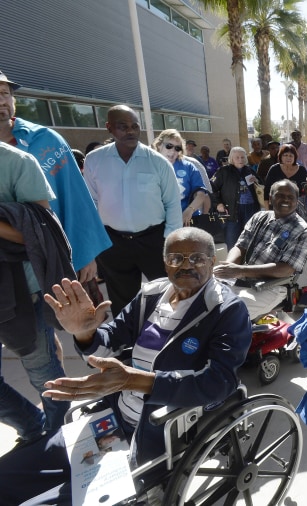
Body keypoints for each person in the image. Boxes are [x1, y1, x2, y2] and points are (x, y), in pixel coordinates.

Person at [0, 227, 252, 505]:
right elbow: (109, 341)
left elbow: (218, 383)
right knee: (6, 476)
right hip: (110, 418)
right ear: (164, 261)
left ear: (212, 261)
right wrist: (83, 332)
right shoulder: (152, 295)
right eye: (176, 258)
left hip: (157, 434)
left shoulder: (227, 310)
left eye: (197, 259)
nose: (186, 266)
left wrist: (132, 380)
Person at [0, 70, 110, 291]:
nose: (1, 100)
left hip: (44, 263)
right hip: (5, 268)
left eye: (4, 93)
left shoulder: (44, 140)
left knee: (41, 321)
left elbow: (75, 196)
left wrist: (84, 252)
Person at [0, 142, 74, 448]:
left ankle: (60, 443)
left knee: (46, 377)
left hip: (20, 294)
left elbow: (41, 233)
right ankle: (32, 428)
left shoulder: (16, 162)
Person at [83, 105, 182, 317]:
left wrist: (170, 243)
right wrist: (94, 242)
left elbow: (173, 203)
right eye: (122, 126)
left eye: (134, 126)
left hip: (154, 240)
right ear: (109, 128)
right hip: (113, 243)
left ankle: (167, 337)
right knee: (122, 302)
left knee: (167, 294)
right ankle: (129, 345)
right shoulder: (94, 160)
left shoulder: (158, 163)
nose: (130, 131)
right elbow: (89, 203)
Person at [214, 180, 307, 318]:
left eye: (290, 197)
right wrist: (229, 267)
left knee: (229, 314)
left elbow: (287, 269)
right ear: (271, 198)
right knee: (203, 298)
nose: (285, 200)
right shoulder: (259, 217)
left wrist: (239, 271)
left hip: (271, 287)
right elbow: (240, 246)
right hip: (241, 279)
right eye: (280, 195)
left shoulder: (302, 230)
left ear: (297, 201)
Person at [151, 129, 210, 225]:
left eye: (177, 148)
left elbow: (201, 194)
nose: (173, 151)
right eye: (169, 146)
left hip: (186, 221)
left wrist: (189, 210)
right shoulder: (149, 166)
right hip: (158, 223)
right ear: (159, 145)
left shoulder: (188, 166)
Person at [210, 146, 262, 251]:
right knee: (233, 241)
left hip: (251, 210)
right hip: (232, 211)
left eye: (242, 157)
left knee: (250, 239)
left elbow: (261, 186)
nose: (240, 160)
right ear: (231, 159)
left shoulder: (249, 170)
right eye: (237, 157)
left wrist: (257, 180)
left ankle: (248, 264)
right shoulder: (224, 171)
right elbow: (211, 188)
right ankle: (233, 264)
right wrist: (218, 204)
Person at [264, 143, 307, 208]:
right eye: (285, 155)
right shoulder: (274, 169)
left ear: (295, 157)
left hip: (296, 207)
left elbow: (306, 189)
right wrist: (267, 209)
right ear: (280, 156)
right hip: (277, 206)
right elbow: (267, 189)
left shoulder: (302, 170)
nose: (288, 158)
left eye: (291, 156)